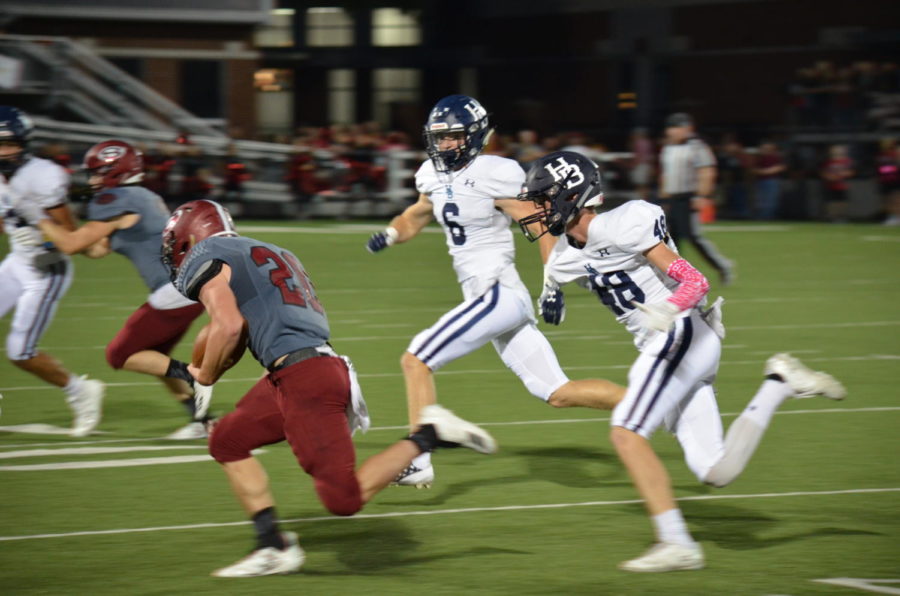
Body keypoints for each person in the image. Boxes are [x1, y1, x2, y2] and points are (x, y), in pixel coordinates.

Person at [516, 151, 847, 572]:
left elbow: (695, 280)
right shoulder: (566, 255)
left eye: (544, 200)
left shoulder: (624, 222)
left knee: (625, 432)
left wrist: (670, 309)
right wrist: (550, 292)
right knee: (715, 470)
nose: (537, 211)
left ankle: (677, 543)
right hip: (666, 343)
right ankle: (779, 382)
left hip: (682, 331)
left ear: (571, 196)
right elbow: (557, 261)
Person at [161, 199, 497, 577]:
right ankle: (272, 545)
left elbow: (228, 326)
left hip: (305, 379)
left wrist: (203, 376)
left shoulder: (206, 255)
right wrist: (211, 369)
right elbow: (240, 329)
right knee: (227, 440)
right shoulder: (270, 250)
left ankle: (429, 434)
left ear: (190, 239)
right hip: (306, 368)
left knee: (343, 500)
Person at [366, 95, 626, 488]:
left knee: (415, 359)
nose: (446, 145)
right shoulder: (431, 174)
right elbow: (417, 214)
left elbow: (542, 222)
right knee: (557, 392)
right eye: (440, 138)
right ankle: (651, 402)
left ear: (473, 136)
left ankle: (418, 458)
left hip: (498, 292)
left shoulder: (496, 172)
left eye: (454, 137)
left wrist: (552, 281)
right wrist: (390, 234)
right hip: (486, 299)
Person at [31, 139, 211, 439]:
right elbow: (95, 248)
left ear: (118, 171)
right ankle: (202, 420)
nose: (93, 180)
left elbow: (75, 242)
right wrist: (53, 239)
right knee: (154, 357)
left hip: (174, 291)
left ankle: (195, 378)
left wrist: (36, 216)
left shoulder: (117, 198)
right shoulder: (142, 196)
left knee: (120, 354)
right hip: (188, 287)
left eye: (99, 172)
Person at [0, 106, 105, 437]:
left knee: (20, 351)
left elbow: (68, 233)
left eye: (9, 144)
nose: (3, 152)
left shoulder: (42, 174)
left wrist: (43, 241)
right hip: (17, 261)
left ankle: (80, 391)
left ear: (24, 144)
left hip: (46, 268)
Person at [658, 113, 734, 284]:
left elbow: (706, 171)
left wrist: (702, 195)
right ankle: (674, 275)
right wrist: (664, 198)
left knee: (693, 236)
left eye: (677, 127)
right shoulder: (667, 148)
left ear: (687, 129)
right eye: (671, 128)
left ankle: (722, 266)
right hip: (672, 198)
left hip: (689, 197)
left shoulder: (697, 147)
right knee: (669, 238)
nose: (673, 131)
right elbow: (665, 174)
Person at [820, 144, 855, 223]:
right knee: (832, 202)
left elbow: (851, 172)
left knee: (842, 202)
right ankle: (833, 217)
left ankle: (842, 216)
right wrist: (829, 177)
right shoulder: (828, 162)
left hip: (842, 186)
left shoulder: (846, 161)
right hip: (831, 186)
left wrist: (841, 175)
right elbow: (823, 172)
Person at [752, 141, 786, 220]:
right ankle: (761, 217)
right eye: (763, 148)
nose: (764, 150)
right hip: (761, 181)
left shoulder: (776, 157)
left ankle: (768, 218)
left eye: (766, 148)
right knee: (760, 201)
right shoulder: (759, 158)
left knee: (771, 200)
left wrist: (764, 171)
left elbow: (781, 167)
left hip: (772, 181)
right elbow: (753, 169)